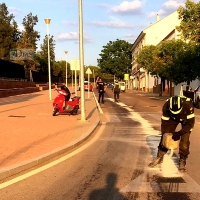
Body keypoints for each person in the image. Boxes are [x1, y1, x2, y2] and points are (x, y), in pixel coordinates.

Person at [148, 95, 195, 172]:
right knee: (165, 137)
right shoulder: (166, 106)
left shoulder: (188, 105)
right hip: (172, 119)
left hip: (185, 120)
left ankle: (182, 160)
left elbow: (190, 124)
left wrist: (179, 133)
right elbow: (164, 125)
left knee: (185, 141)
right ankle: (160, 157)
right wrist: (166, 135)